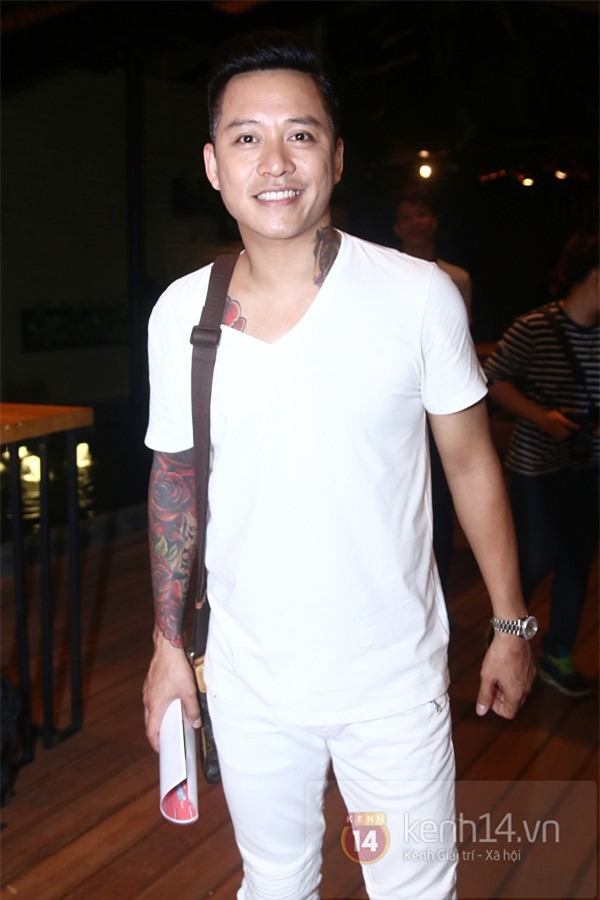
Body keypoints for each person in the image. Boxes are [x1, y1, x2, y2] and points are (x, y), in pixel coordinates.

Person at [142, 30, 534, 900]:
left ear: (338, 156)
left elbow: (472, 464)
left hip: (393, 683)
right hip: (248, 679)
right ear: (214, 165)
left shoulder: (417, 296)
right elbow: (175, 481)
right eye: (247, 137)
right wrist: (169, 649)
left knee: (415, 888)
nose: (275, 162)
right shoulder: (182, 317)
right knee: (275, 881)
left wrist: (512, 624)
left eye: (302, 134)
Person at [484, 231, 599, 698]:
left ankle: (558, 653)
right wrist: (542, 418)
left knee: (577, 560)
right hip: (536, 466)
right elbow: (492, 379)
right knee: (533, 558)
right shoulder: (535, 327)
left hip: (589, 465)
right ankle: (506, 635)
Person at [393, 185, 472, 597]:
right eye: (406, 218)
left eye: (421, 214)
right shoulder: (384, 274)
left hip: (440, 399)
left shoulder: (456, 278)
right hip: (398, 397)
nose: (414, 224)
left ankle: (440, 593)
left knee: (440, 495)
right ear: (396, 228)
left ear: (435, 221)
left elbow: (462, 342)